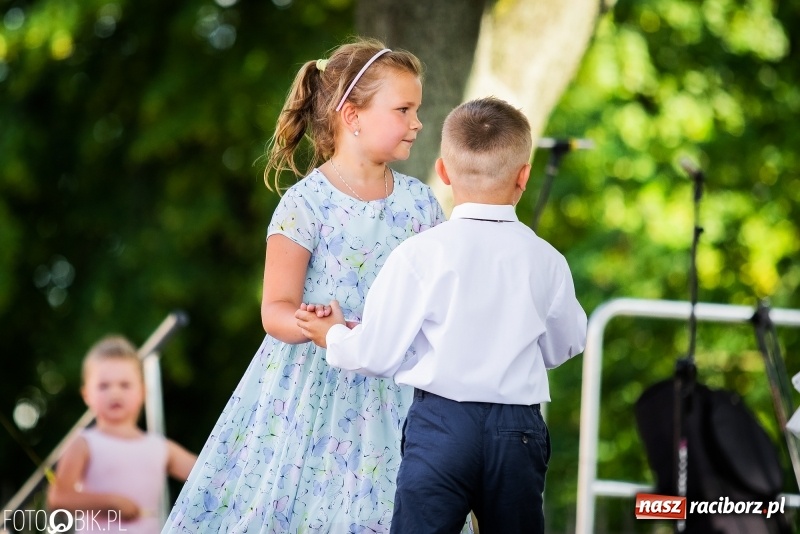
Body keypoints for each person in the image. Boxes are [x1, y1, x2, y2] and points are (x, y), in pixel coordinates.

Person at [163, 38, 456, 533]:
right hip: (312, 392)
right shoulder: (306, 204)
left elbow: (438, 298)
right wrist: (310, 324)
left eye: (417, 110)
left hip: (394, 387)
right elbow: (275, 308)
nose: (417, 122)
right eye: (403, 109)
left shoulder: (421, 204)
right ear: (352, 115)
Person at [296, 96, 588, 534]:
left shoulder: (420, 254)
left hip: (441, 426)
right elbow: (568, 342)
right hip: (517, 430)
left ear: (445, 173)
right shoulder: (546, 260)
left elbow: (376, 353)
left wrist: (333, 335)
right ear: (523, 176)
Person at [47, 335, 197, 533]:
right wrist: (109, 502)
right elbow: (59, 498)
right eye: (104, 386)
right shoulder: (83, 443)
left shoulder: (160, 447)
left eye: (125, 385)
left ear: (143, 392)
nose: (115, 393)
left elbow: (208, 471)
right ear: (86, 395)